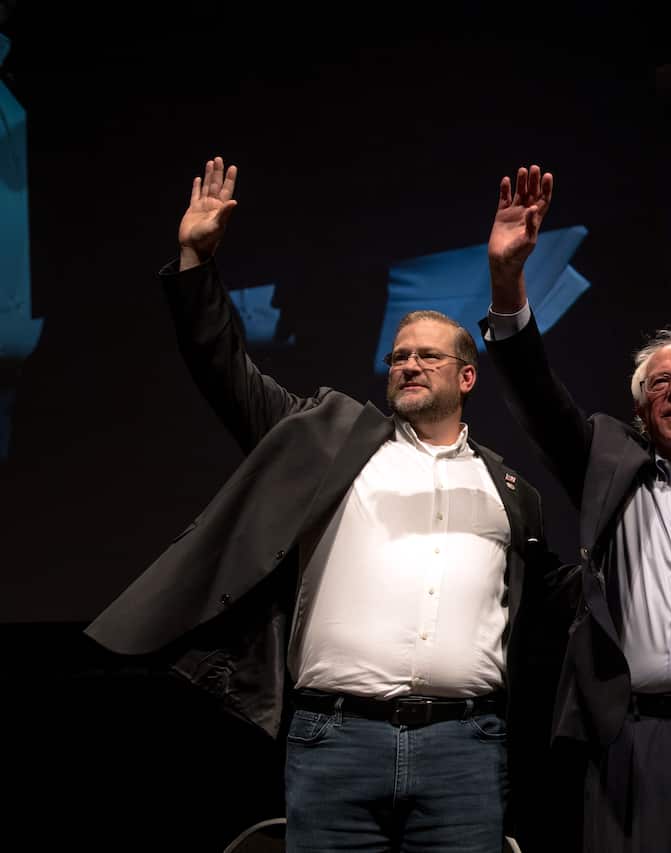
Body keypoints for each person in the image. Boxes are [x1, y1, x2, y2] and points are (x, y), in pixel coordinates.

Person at [85, 156, 563, 852]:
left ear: (466, 376)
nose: (408, 364)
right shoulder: (335, 440)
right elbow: (228, 374)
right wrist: (194, 264)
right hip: (336, 740)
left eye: (428, 356)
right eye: (400, 355)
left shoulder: (509, 491)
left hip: (464, 747)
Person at [482, 165, 671, 853]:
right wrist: (509, 280)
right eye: (660, 383)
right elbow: (535, 392)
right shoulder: (608, 464)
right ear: (639, 408)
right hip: (636, 739)